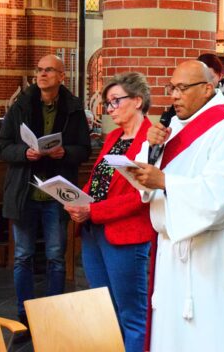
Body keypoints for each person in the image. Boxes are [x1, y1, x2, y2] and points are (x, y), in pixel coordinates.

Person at [131, 60, 224, 352]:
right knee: (172, 334)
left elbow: (220, 193)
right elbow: (145, 176)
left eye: (182, 88)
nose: (174, 96)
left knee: (211, 333)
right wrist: (150, 148)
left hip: (213, 251)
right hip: (172, 250)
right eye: (171, 88)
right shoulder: (172, 128)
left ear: (207, 88)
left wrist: (165, 181)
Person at [0, 54, 91, 331]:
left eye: (49, 70)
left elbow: (84, 149)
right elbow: (2, 147)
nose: (42, 74)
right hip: (24, 192)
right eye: (39, 69)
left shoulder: (73, 109)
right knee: (23, 256)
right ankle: (24, 313)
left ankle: (54, 313)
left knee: (56, 257)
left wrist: (66, 152)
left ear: (62, 76)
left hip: (56, 195)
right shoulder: (21, 106)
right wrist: (24, 153)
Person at [64, 73, 155, 350]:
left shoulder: (151, 140)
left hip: (125, 235)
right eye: (107, 103)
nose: (110, 109)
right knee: (104, 310)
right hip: (94, 231)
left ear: (137, 101)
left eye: (115, 101)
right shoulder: (114, 136)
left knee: (132, 315)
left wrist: (93, 210)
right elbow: (98, 179)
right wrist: (78, 200)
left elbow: (140, 197)